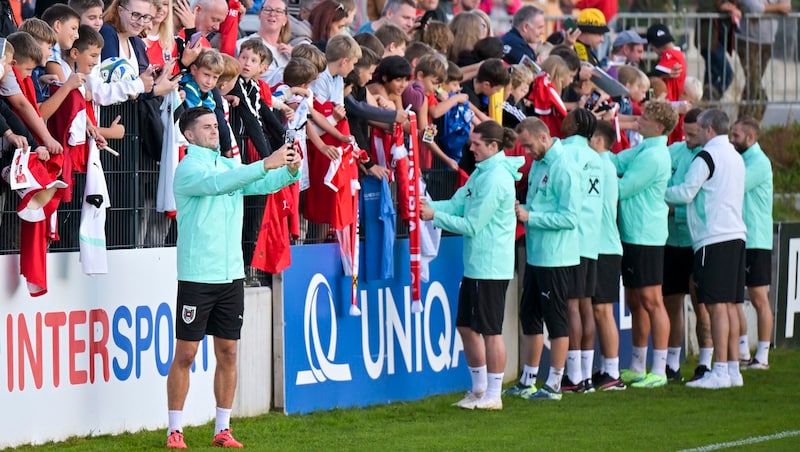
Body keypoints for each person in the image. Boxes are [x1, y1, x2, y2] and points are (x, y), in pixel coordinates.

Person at [165, 106, 301, 449]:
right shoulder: (187, 169)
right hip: (198, 276)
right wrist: (263, 164)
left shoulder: (227, 165)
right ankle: (174, 430)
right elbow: (219, 184)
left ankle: (222, 429)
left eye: (216, 125)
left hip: (231, 276)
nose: (215, 130)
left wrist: (289, 171)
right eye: (207, 127)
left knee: (228, 353)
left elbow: (262, 182)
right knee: (186, 355)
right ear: (190, 134)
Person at [420, 120, 523, 410]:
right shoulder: (482, 173)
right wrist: (426, 206)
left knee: (490, 330)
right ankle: (479, 390)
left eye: (476, 143)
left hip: (490, 265)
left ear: (493, 146)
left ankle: (494, 394)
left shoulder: (495, 179)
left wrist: (433, 216)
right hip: (477, 265)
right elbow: (456, 204)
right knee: (466, 326)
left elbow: (473, 225)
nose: (471, 147)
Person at [664, 108, 746, 390]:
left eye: (697, 128)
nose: (694, 132)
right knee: (731, 306)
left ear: (709, 130)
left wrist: (657, 191)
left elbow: (686, 192)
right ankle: (733, 369)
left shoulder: (706, 156)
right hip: (735, 235)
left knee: (717, 307)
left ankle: (721, 370)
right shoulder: (736, 156)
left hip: (714, 238)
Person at [505, 117, 582, 401]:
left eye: (528, 145)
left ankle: (555, 384)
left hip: (557, 257)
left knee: (556, 319)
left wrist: (530, 216)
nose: (527, 152)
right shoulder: (540, 164)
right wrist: (521, 208)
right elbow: (538, 205)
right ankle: (528, 380)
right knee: (530, 315)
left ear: (543, 137)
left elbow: (570, 217)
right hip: (538, 255)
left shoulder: (564, 167)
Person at [611, 100, 677, 389]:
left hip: (647, 236)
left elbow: (623, 187)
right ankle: (638, 365)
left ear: (659, 126)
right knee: (636, 301)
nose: (640, 118)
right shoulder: (644, 148)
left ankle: (659, 370)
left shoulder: (655, 156)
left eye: (646, 116)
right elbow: (616, 162)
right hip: (632, 234)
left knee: (652, 300)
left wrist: (599, 179)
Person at [662, 108, 705, 383]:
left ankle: (705, 362)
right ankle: (672, 364)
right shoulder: (672, 152)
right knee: (672, 303)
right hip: (669, 239)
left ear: (705, 131)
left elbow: (696, 198)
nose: (687, 138)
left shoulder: (709, 158)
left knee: (702, 304)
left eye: (692, 134)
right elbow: (661, 185)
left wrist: (670, 208)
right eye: (685, 133)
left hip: (696, 240)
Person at [729, 115, 774, 370]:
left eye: (736, 136)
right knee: (736, 297)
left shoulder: (758, 162)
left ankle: (763, 356)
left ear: (751, 138)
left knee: (758, 298)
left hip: (756, 237)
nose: (732, 139)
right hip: (741, 236)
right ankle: (744, 351)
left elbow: (735, 185)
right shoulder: (742, 159)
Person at [588, 120, 625, 390]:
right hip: (601, 246)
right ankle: (605, 368)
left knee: (602, 310)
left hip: (604, 247)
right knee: (596, 309)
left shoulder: (600, 166)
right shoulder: (605, 165)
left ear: (598, 140)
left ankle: (612, 371)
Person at [736, 0, 792, 120]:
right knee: (753, 81)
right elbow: (756, 8)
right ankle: (746, 120)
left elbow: (787, 7)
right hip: (747, 40)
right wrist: (778, 8)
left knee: (752, 83)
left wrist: (768, 8)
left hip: (767, 40)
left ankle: (746, 121)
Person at [236, 0, 292, 86]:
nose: (272, 14)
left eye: (278, 11)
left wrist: (296, 56)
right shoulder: (242, 45)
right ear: (259, 15)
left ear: (285, 19)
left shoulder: (289, 53)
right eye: (268, 9)